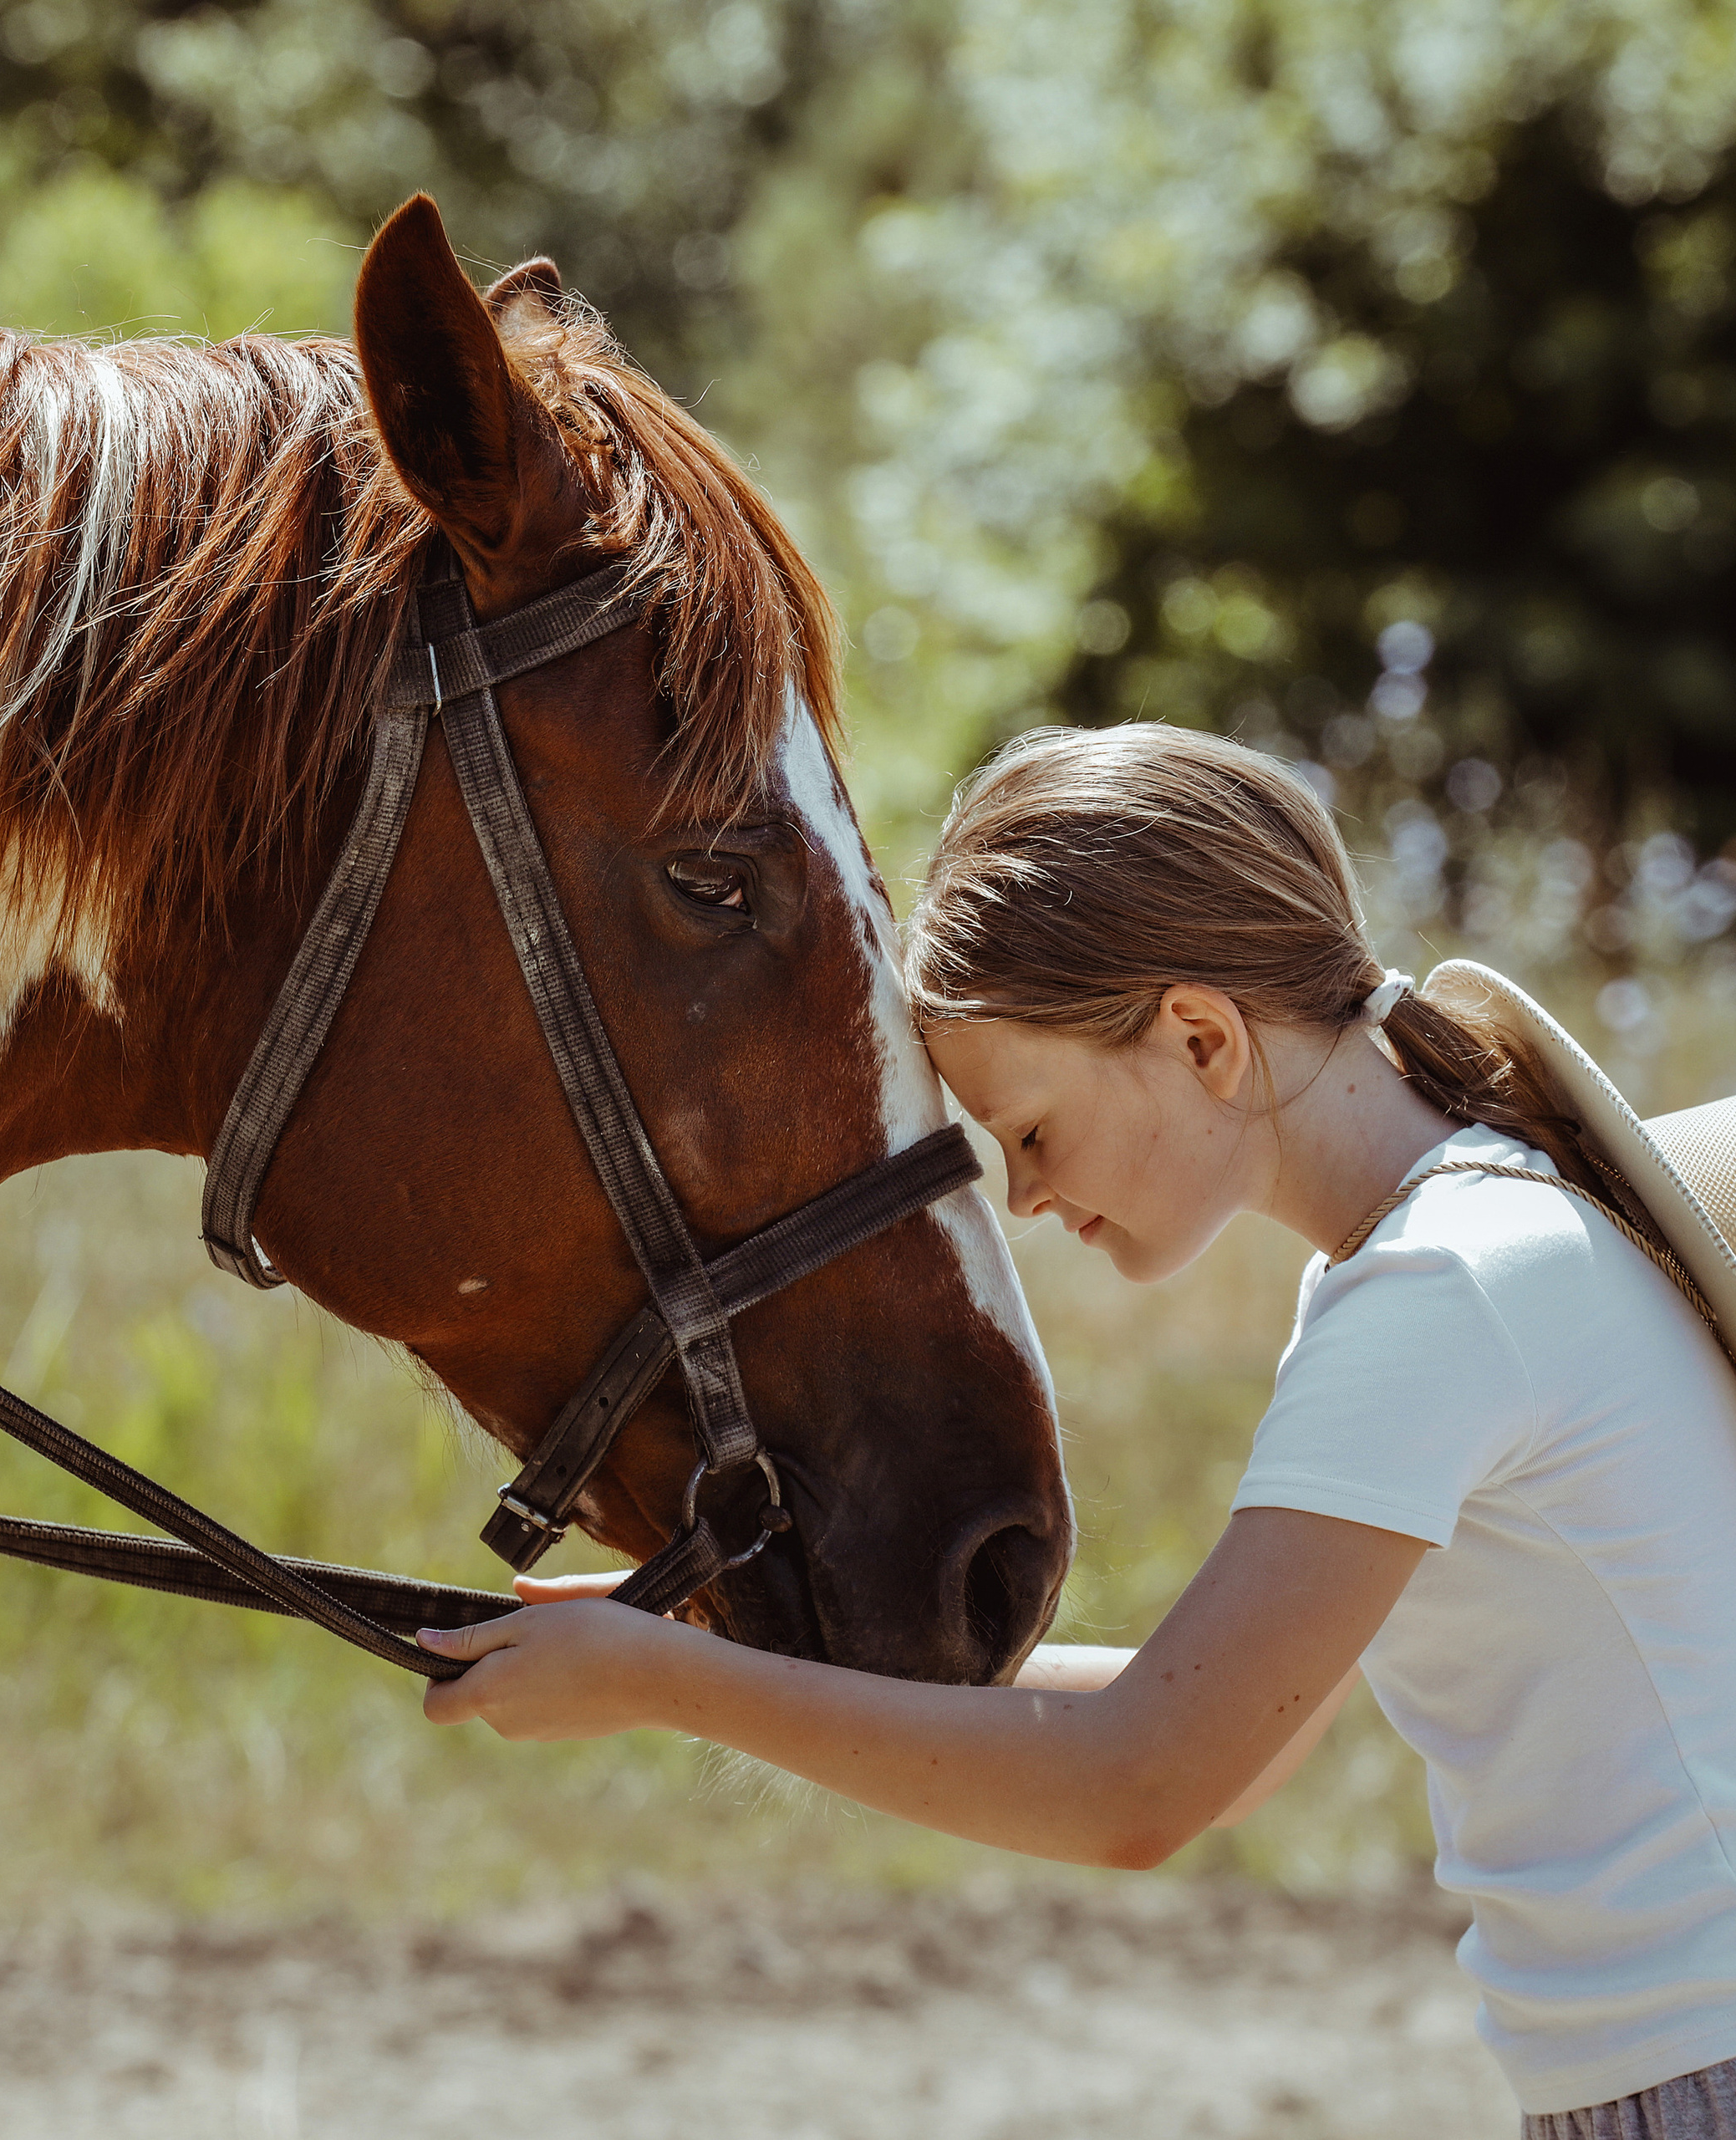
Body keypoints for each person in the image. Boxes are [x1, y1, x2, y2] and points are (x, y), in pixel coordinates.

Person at [416, 723, 1736, 2136]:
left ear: (1200, 1038)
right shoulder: (1470, 1243)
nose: (1029, 1203)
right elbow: (1219, 1731)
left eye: (1031, 1134)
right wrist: (702, 1645)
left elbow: (1145, 1786)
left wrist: (665, 1690)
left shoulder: (1437, 1294)